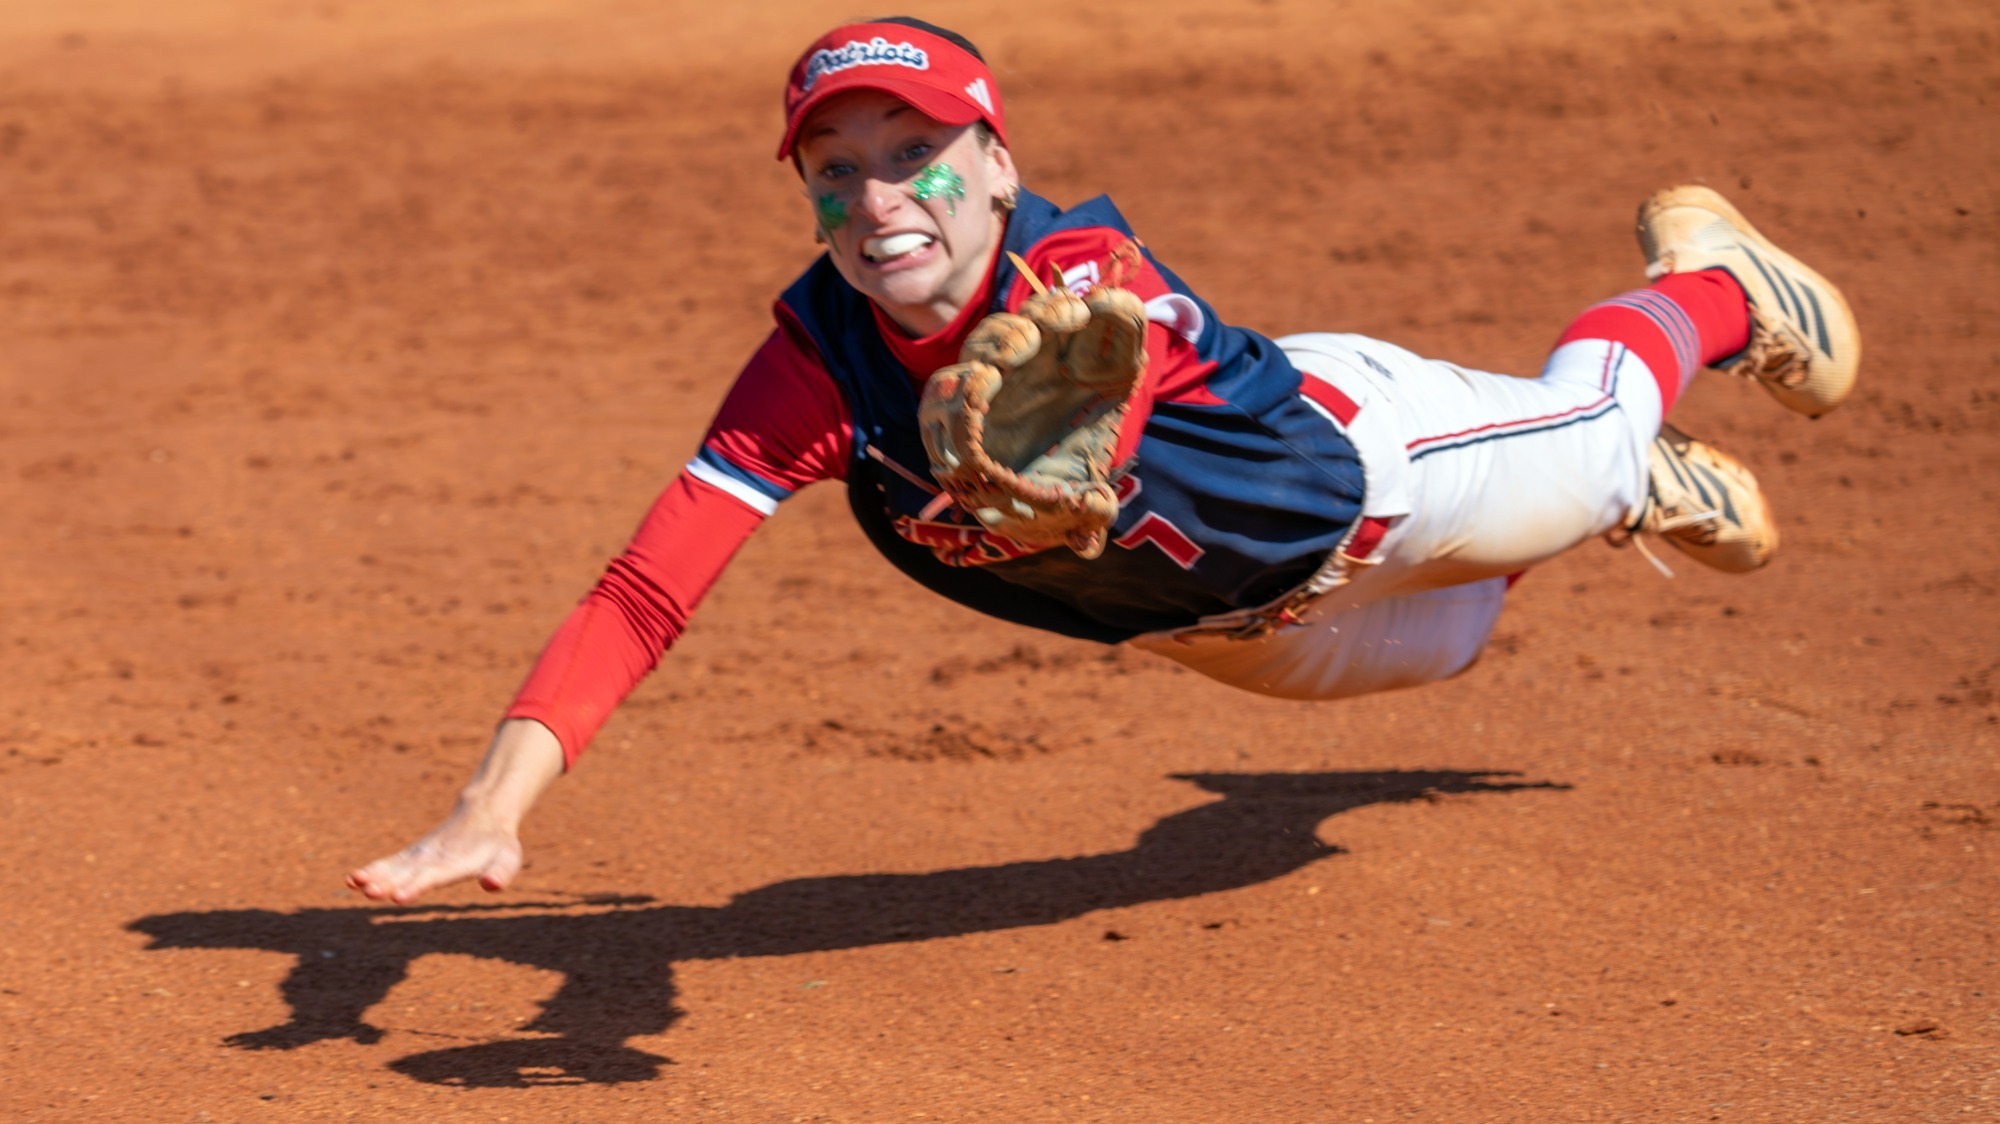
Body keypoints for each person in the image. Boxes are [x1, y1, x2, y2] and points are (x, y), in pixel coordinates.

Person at [348, 17, 1859, 904]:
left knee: (1585, 438)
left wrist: (1080, 429)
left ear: (996, 163)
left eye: (915, 150)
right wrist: (497, 804)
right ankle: (1628, 493)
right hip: (1248, 641)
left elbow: (1112, 335)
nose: (881, 196)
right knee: (1464, 636)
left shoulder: (1075, 267)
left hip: (1388, 467)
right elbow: (642, 590)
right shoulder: (817, 366)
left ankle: (1715, 291)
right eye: (838, 169)